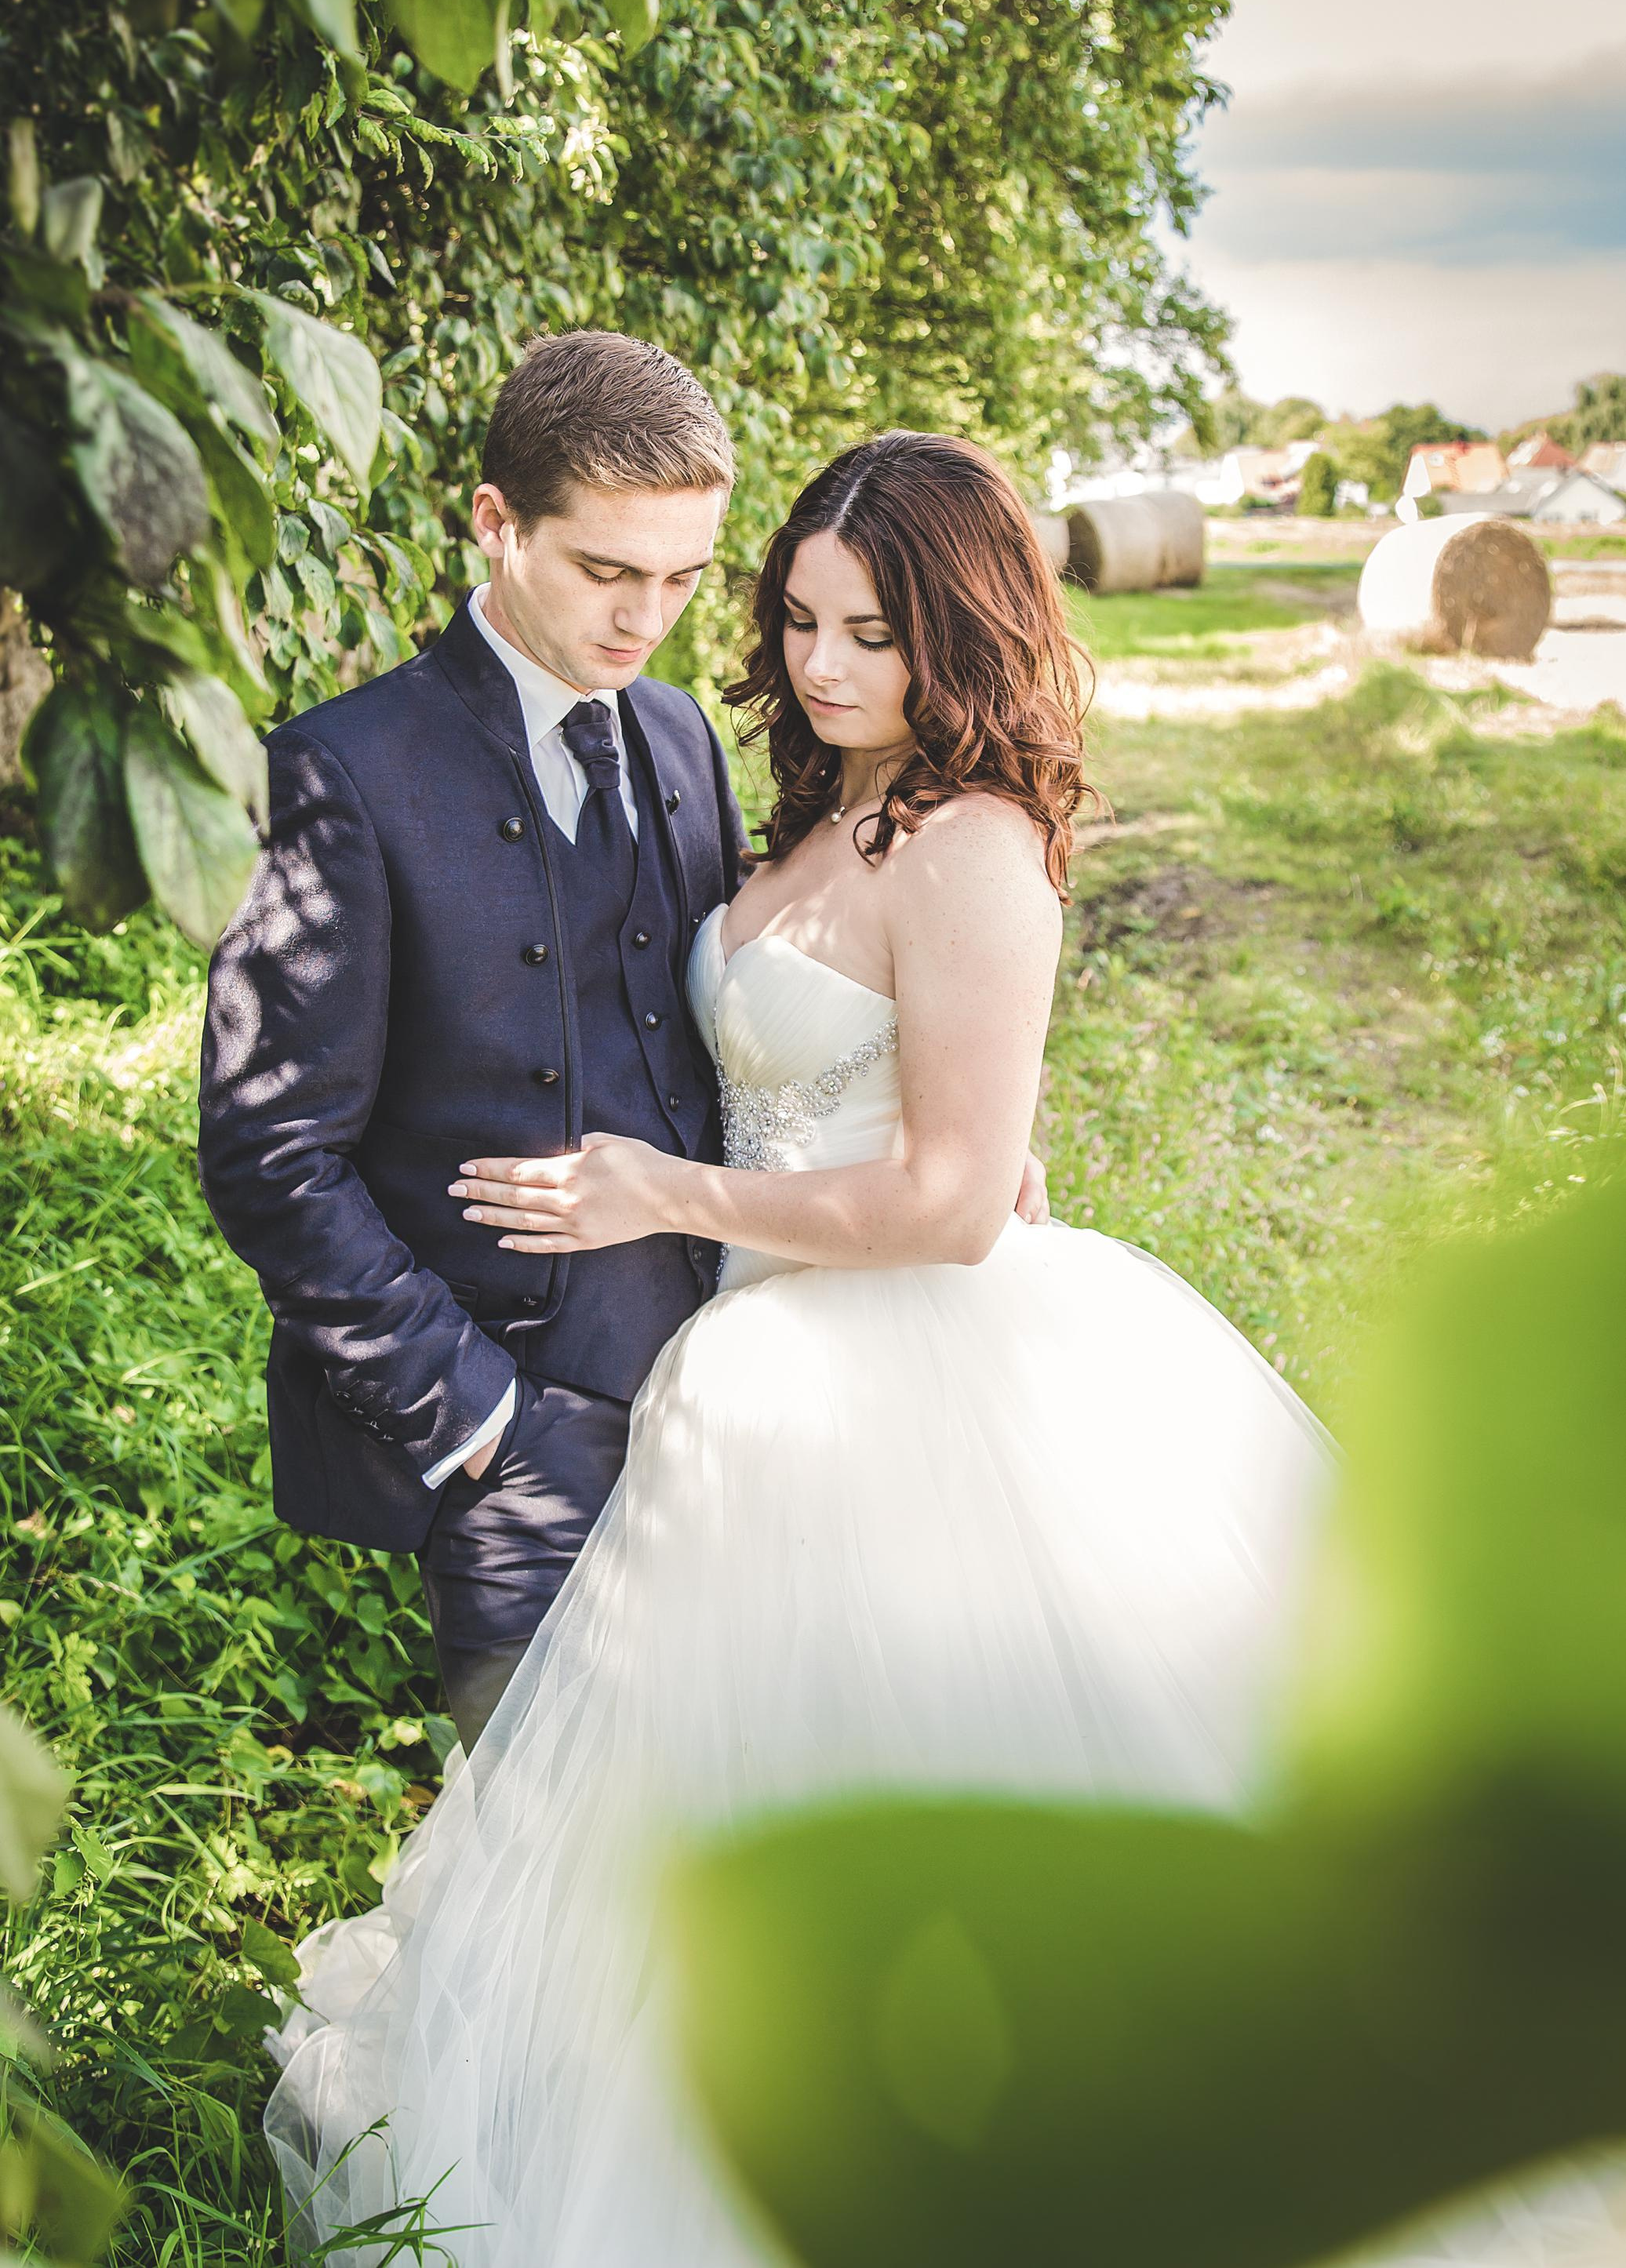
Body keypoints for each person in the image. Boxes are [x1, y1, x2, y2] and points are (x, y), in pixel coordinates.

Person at [264, 428, 1332, 2265]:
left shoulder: (976, 844)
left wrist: (663, 1196)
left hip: (902, 1367)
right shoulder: (830, 803)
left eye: (873, 635)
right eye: (804, 621)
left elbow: (945, 1197)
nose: (823, 667)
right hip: (745, 1369)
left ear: (961, 634)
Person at [199, 330, 1051, 1754]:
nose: (644, 619)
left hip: (746, 1383)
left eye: (683, 578)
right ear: (495, 523)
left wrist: (959, 1106)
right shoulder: (340, 770)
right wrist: (474, 1419)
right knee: (547, 1850)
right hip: (515, 1424)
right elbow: (267, 1147)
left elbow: (757, 1003)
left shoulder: (674, 737)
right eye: (606, 572)